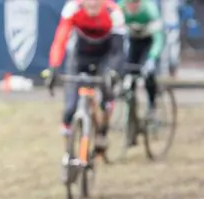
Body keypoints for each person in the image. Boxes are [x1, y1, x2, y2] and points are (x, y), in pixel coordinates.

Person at [44, 0, 126, 152]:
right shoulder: (73, 8)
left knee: (107, 95)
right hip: (80, 56)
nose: (93, 3)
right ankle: (68, 152)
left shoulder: (113, 12)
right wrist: (54, 66)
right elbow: (60, 40)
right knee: (70, 108)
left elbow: (118, 51)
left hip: (105, 56)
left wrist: (113, 72)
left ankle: (102, 131)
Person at [118, 0, 164, 120]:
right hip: (133, 42)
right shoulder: (120, 9)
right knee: (129, 73)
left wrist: (152, 57)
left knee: (148, 74)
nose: (132, 6)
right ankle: (130, 109)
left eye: (135, 3)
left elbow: (158, 38)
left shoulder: (150, 10)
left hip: (149, 42)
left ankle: (152, 106)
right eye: (129, 4)